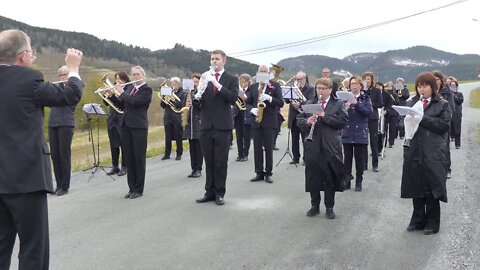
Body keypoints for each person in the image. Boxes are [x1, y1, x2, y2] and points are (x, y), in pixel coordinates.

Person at [0, 29, 83, 270]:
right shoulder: (29, 79)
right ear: (23, 56)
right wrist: (74, 68)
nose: (33, 58)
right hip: (26, 177)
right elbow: (71, 94)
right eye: (32, 53)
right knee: (33, 248)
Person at [401, 72, 452, 235]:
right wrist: (405, 118)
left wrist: (422, 118)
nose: (422, 89)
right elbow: (400, 126)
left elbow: (443, 125)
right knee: (416, 184)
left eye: (425, 85)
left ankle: (432, 221)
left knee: (432, 186)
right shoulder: (412, 103)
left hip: (433, 150)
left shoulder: (442, 104)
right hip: (414, 149)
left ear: (433, 87)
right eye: (419, 85)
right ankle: (417, 219)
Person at [296, 78, 348, 219]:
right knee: (314, 177)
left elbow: (342, 122)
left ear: (330, 90)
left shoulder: (338, 104)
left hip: (330, 146)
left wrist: (325, 116)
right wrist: (307, 121)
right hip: (313, 145)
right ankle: (315, 205)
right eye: (318, 88)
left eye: (323, 88)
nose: (320, 91)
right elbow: (299, 120)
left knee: (329, 177)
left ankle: (329, 207)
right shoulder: (309, 103)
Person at [194, 49, 238, 205]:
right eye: (212, 59)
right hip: (206, 125)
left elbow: (233, 99)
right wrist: (197, 96)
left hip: (222, 126)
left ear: (224, 61)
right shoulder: (205, 77)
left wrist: (216, 84)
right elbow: (199, 105)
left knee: (220, 161)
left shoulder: (231, 79)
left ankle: (220, 192)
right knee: (209, 161)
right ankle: (209, 191)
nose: (214, 61)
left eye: (217, 59)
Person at [109, 66, 152, 199]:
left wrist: (121, 92)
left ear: (143, 76)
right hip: (126, 126)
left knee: (138, 158)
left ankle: (138, 189)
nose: (135, 77)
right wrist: (111, 96)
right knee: (129, 158)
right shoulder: (131, 89)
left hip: (139, 127)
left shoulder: (147, 90)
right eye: (133, 74)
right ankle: (131, 188)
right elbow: (123, 105)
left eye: (138, 74)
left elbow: (134, 102)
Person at [247, 65, 285, 183]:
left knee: (268, 148)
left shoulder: (275, 86)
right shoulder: (253, 87)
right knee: (257, 147)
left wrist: (269, 98)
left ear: (268, 74)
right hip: (256, 121)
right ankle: (259, 172)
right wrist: (251, 109)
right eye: (261, 71)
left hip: (269, 121)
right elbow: (247, 102)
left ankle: (268, 172)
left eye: (265, 72)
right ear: (257, 73)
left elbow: (281, 103)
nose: (263, 73)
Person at [47, 65, 80, 196]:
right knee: (54, 154)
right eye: (60, 75)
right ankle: (59, 184)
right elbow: (49, 101)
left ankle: (65, 186)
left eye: (64, 75)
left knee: (64, 154)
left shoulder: (73, 90)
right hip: (53, 123)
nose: (62, 77)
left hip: (66, 123)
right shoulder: (56, 88)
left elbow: (69, 101)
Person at [342, 76, 372, 191]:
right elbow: (340, 113)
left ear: (360, 85)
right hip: (347, 130)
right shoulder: (345, 98)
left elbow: (368, 112)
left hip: (360, 131)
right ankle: (347, 180)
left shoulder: (365, 98)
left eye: (355, 83)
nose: (353, 86)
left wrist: (357, 103)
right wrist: (346, 106)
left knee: (359, 159)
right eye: (351, 84)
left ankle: (359, 181)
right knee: (347, 158)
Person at [284, 71, 315, 165]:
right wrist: (289, 96)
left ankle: (306, 158)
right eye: (297, 79)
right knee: (294, 138)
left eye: (300, 79)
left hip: (304, 116)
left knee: (304, 138)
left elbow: (311, 100)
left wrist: (300, 104)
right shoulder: (293, 88)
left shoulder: (310, 89)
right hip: (294, 116)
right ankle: (295, 157)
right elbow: (286, 101)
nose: (298, 81)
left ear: (305, 79)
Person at [104, 71, 130, 176]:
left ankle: (124, 166)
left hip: (122, 118)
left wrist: (113, 95)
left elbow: (122, 103)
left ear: (125, 79)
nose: (117, 81)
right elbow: (107, 103)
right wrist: (107, 95)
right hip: (112, 118)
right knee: (113, 143)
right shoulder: (114, 87)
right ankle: (115, 166)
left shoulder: (128, 88)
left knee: (123, 144)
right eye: (116, 79)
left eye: (120, 79)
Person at [432, 70, 454, 179]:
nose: (435, 81)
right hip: (431, 125)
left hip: (443, 124)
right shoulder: (429, 91)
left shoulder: (446, 92)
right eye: (433, 79)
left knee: (444, 148)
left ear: (441, 81)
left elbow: (451, 108)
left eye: (437, 79)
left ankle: (447, 169)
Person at [160, 77, 187, 160]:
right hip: (167, 116)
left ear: (179, 85)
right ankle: (167, 154)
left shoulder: (183, 93)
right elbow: (162, 105)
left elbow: (181, 105)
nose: (173, 86)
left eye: (175, 84)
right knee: (167, 136)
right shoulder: (168, 91)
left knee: (178, 136)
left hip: (177, 116)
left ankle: (179, 153)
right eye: (172, 84)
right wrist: (164, 97)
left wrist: (172, 100)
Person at [361, 72, 383, 172]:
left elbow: (380, 103)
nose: (367, 80)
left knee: (373, 142)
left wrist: (368, 103)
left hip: (373, 117)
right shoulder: (361, 91)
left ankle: (375, 164)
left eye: (368, 79)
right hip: (363, 117)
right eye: (365, 79)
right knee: (364, 142)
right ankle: (364, 164)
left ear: (372, 80)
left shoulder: (377, 91)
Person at [183, 73, 203, 178]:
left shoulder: (201, 92)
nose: (194, 83)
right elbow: (182, 106)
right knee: (192, 147)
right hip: (189, 123)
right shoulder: (188, 93)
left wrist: (193, 97)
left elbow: (200, 106)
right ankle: (193, 168)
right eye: (193, 81)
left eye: (196, 81)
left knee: (198, 147)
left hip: (198, 122)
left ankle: (198, 168)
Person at [233, 73, 251, 162]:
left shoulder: (250, 91)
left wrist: (245, 98)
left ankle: (245, 154)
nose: (242, 83)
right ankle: (240, 154)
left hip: (246, 115)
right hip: (238, 115)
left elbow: (251, 102)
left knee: (246, 136)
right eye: (240, 81)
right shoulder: (237, 90)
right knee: (239, 136)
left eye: (243, 81)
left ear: (248, 82)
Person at [383, 81, 400, 148]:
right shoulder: (384, 94)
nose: (389, 87)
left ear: (392, 87)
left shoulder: (395, 94)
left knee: (392, 128)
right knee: (384, 128)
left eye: (390, 86)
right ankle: (384, 142)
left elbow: (397, 102)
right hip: (386, 112)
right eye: (387, 86)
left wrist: (392, 98)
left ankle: (391, 142)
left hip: (393, 112)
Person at [448, 78, 463, 149]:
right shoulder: (447, 95)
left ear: (456, 86)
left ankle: (457, 144)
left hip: (457, 113)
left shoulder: (460, 94)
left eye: (454, 86)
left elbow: (460, 101)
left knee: (457, 129)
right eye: (451, 86)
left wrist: (454, 95)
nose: (452, 87)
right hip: (449, 113)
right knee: (449, 129)